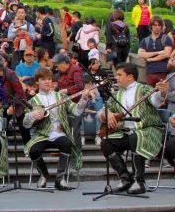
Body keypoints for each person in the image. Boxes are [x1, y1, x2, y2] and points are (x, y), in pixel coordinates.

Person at [98, 63, 167, 194]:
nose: (116, 78)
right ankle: (125, 178)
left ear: (130, 76)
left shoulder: (144, 89)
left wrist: (162, 92)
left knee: (136, 137)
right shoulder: (118, 94)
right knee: (106, 142)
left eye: (119, 75)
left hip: (148, 130)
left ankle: (139, 181)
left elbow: (156, 100)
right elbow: (102, 111)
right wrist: (108, 114)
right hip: (126, 133)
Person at [24, 68, 89, 190]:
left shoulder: (61, 96)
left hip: (59, 133)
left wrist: (83, 99)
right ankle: (44, 174)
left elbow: (76, 111)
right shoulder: (32, 101)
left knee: (66, 143)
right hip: (42, 134)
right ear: (37, 82)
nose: (48, 82)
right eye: (44, 79)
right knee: (33, 150)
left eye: (49, 79)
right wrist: (32, 116)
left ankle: (60, 179)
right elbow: (26, 124)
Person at [137, 16, 173, 86]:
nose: (157, 27)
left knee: (164, 94)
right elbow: (140, 54)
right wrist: (158, 52)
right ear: (151, 26)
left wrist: (150, 59)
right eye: (155, 25)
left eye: (159, 25)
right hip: (150, 72)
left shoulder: (166, 38)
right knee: (150, 95)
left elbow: (167, 54)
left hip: (164, 72)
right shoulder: (145, 40)